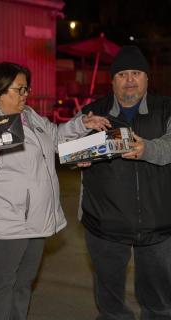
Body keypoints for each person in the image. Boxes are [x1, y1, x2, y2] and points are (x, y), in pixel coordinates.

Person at [0, 62, 110, 320]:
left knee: (23, 284)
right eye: (19, 89)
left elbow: (55, 138)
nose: (25, 95)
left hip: (36, 218)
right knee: (3, 286)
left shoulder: (29, 115)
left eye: (26, 89)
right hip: (4, 221)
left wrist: (82, 123)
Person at [79, 45, 171, 319]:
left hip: (159, 223)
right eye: (122, 74)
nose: (130, 80)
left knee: (160, 305)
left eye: (136, 73)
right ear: (112, 80)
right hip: (106, 225)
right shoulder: (93, 112)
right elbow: (69, 147)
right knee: (110, 306)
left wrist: (148, 150)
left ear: (146, 78)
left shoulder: (166, 108)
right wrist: (76, 157)